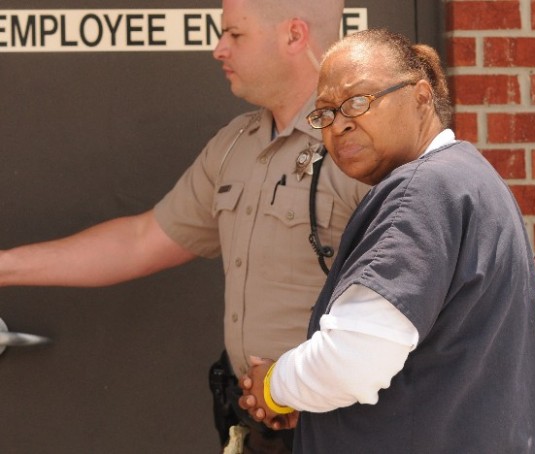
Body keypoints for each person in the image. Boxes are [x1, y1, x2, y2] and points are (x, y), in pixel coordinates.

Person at [0, 0, 368, 452]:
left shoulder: (364, 147)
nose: (218, 49)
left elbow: (410, 305)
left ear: (294, 35)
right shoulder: (236, 145)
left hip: (346, 430)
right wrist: (5, 266)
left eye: (235, 34)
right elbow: (141, 241)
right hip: (258, 430)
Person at [238, 29, 535, 453]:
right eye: (325, 113)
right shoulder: (465, 178)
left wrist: (274, 386)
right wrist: (316, 398)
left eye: (358, 101)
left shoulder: (422, 191)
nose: (340, 122)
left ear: (422, 96)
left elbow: (352, 362)